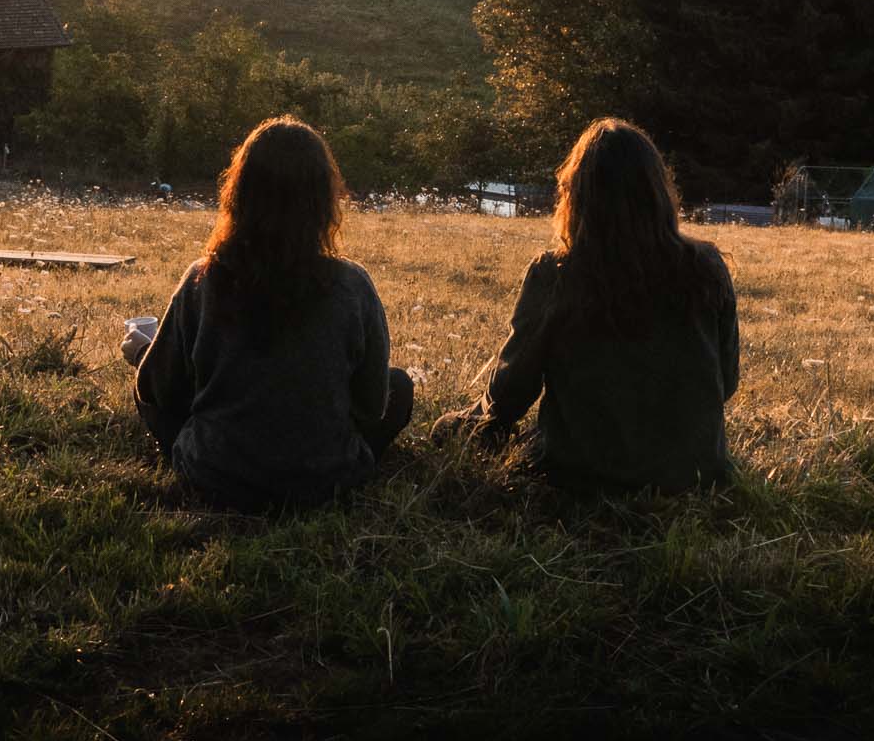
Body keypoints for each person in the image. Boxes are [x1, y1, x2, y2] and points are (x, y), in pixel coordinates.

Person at [437, 118, 739, 492]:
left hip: (582, 475)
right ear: (658, 191)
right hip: (696, 477)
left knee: (447, 429)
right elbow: (725, 381)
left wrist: (466, 425)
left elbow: (511, 392)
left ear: (575, 196)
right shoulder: (707, 267)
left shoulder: (557, 272)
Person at [129, 116, 412, 510]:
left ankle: (214, 454)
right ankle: (327, 461)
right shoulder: (353, 285)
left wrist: (142, 352)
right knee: (401, 387)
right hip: (327, 479)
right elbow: (372, 405)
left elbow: (158, 390)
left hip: (215, 474)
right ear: (323, 201)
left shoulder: (203, 280)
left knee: (147, 393)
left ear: (239, 194)